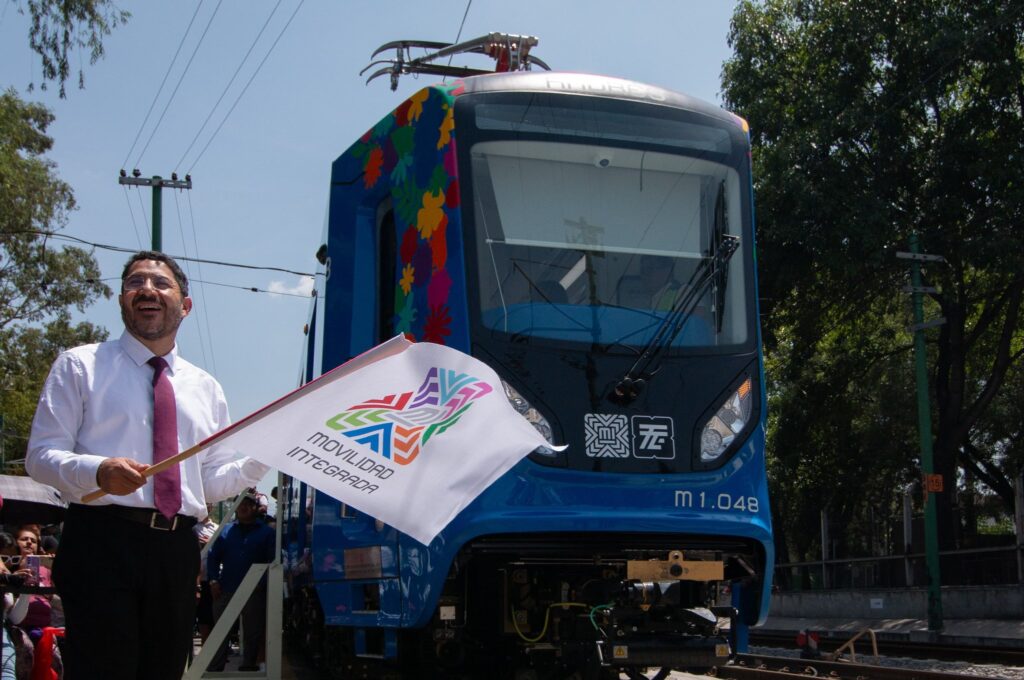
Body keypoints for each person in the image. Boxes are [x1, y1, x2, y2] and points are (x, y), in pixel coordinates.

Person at [25, 250, 270, 680]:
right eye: (135, 283)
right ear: (123, 300)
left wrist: (267, 455)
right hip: (100, 541)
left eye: (160, 283)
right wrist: (98, 471)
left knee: (164, 670)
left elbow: (208, 483)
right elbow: (41, 457)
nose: (147, 290)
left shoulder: (206, 388)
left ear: (185, 305)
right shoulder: (80, 366)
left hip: (175, 552)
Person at [206, 490, 275, 672]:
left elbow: (273, 561)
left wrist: (262, 584)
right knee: (220, 630)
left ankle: (248, 665)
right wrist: (213, 581)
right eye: (240, 504)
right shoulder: (226, 531)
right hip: (225, 589)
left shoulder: (267, 533)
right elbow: (213, 557)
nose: (243, 507)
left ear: (255, 508)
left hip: (254, 591)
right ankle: (215, 668)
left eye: (247, 504)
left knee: (253, 631)